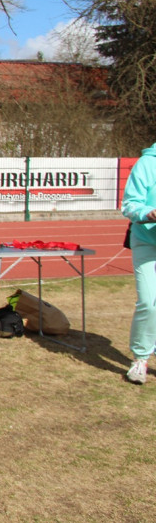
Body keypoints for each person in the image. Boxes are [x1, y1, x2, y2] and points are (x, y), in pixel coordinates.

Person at [122, 143, 156, 385]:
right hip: (146, 240)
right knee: (148, 301)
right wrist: (148, 213)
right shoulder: (147, 163)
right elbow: (130, 204)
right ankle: (140, 358)